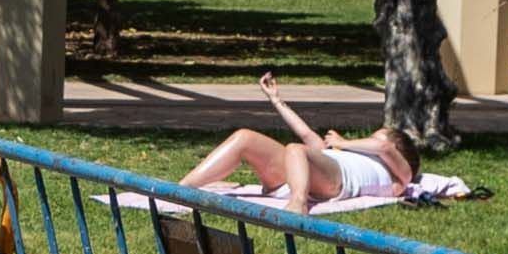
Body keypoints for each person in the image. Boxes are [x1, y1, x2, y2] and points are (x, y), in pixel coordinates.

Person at [179, 77, 470, 212]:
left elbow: (383, 148)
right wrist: (276, 99)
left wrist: (344, 142)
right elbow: (305, 133)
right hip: (306, 172)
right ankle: (181, 189)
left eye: (377, 135)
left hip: (334, 182)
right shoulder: (337, 152)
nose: (372, 139)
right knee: (245, 137)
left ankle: (298, 204)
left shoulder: (399, 175)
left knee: (296, 150)